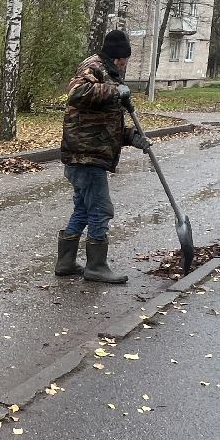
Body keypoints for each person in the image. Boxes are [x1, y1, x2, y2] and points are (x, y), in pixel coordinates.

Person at [54, 29, 151, 284]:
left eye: (126, 58)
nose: (124, 62)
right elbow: (77, 93)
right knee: (100, 209)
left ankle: (65, 262)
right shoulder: (93, 66)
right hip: (85, 156)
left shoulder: (109, 73)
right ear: (113, 55)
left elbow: (101, 122)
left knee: (84, 210)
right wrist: (116, 92)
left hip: (87, 153)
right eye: (122, 58)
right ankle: (96, 266)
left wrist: (131, 137)